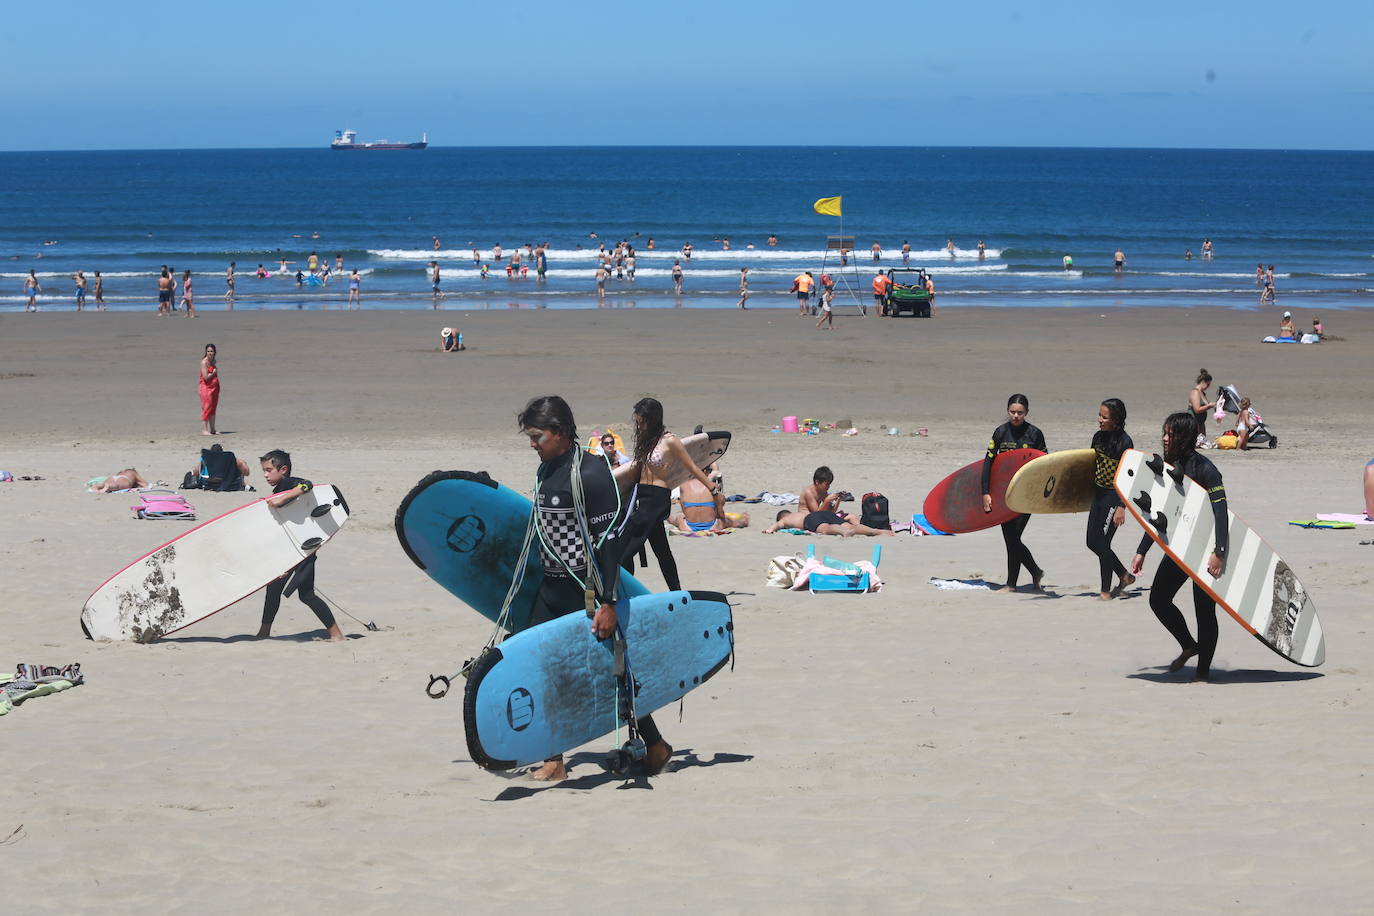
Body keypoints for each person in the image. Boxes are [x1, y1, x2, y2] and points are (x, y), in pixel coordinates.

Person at [517, 395, 671, 780]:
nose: (532, 443)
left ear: (560, 432)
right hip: (551, 587)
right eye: (530, 437)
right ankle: (554, 759)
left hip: (586, 591)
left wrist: (609, 602)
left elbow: (609, 545)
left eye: (537, 436)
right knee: (539, 666)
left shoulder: (591, 475)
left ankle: (655, 744)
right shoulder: (548, 469)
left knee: (611, 670)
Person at [1129, 413, 1227, 681]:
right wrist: (1142, 550)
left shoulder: (1207, 470)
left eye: (1170, 434)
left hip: (1207, 550)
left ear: (1183, 438)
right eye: (1164, 432)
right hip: (1180, 548)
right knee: (1158, 599)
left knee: (1204, 611)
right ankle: (1189, 645)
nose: (1164, 438)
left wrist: (1219, 553)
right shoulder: (1167, 468)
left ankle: (1203, 672)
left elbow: (1221, 512)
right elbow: (1160, 516)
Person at [620, 398, 718, 591]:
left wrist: (713, 489)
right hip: (642, 496)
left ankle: (619, 592)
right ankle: (676, 591)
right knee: (661, 549)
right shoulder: (646, 441)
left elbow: (693, 466)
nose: (639, 426)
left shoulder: (670, 440)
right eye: (637, 422)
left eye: (642, 421)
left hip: (656, 499)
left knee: (623, 549)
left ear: (653, 419)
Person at [255, 450, 345, 643]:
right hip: (296, 549)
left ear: (283, 469)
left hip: (301, 552)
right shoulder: (280, 488)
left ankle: (337, 634)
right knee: (295, 593)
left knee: (304, 595)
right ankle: (264, 632)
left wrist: (282, 499)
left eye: (269, 470)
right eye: (264, 471)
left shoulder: (288, 485)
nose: (265, 475)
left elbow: (307, 485)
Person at [983, 394, 1047, 592]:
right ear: (1007, 411)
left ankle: (1012, 584)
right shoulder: (1000, 432)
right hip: (1004, 494)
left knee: (1012, 539)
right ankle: (1034, 572)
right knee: (1011, 539)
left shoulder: (1035, 434)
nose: (1016, 416)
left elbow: (1046, 466)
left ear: (1026, 412)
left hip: (1026, 495)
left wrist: (1043, 495)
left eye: (1020, 412)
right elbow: (988, 463)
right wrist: (985, 492)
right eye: (1012, 412)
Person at [1087, 399, 1134, 600]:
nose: (1099, 420)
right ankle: (1124, 575)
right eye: (1099, 415)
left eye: (1104, 417)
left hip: (1113, 498)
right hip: (1097, 496)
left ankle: (1105, 591)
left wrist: (1121, 506)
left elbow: (1129, 478)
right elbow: (1090, 466)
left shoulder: (1125, 442)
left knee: (1103, 544)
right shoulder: (1097, 437)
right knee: (1092, 542)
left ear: (1115, 420)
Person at [669, 462, 749, 533]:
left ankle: (668, 518)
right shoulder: (713, 486)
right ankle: (741, 522)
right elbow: (720, 513)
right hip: (712, 527)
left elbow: (685, 511)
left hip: (687, 527)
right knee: (727, 521)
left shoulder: (684, 485)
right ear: (704, 472)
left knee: (678, 518)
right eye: (709, 471)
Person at [763, 508, 893, 536]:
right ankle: (876, 531)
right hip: (824, 513)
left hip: (811, 519)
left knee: (825, 528)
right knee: (851, 526)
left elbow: (778, 524)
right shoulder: (800, 512)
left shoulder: (786, 519)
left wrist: (770, 529)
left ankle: (843, 531)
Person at [1186, 369, 1215, 437]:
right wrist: (1209, 406)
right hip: (1194, 422)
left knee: (1202, 443)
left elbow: (1208, 404)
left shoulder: (1202, 393)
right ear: (1203, 382)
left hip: (1201, 423)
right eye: (1208, 384)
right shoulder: (1195, 392)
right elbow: (1197, 409)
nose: (1208, 387)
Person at [199, 343, 220, 435]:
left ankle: (213, 429)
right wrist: (213, 373)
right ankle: (204, 429)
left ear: (214, 352)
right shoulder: (204, 362)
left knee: (213, 408)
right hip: (205, 387)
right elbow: (206, 377)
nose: (209, 353)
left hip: (214, 387)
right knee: (206, 407)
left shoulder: (213, 361)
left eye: (211, 351)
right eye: (208, 351)